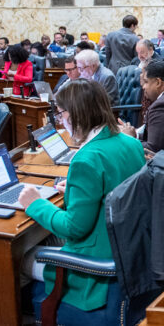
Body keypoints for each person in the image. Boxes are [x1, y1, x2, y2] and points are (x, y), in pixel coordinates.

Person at [18, 79, 145, 312]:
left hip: (95, 267)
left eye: (60, 114)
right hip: (128, 252)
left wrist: (35, 204)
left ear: (76, 114)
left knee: (16, 259)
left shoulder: (86, 159)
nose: (60, 120)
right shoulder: (131, 143)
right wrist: (76, 190)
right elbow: (113, 192)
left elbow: (73, 228)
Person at [119, 60, 164, 153]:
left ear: (158, 82)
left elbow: (152, 149)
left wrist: (129, 138)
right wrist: (134, 134)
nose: (143, 87)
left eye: (146, 82)